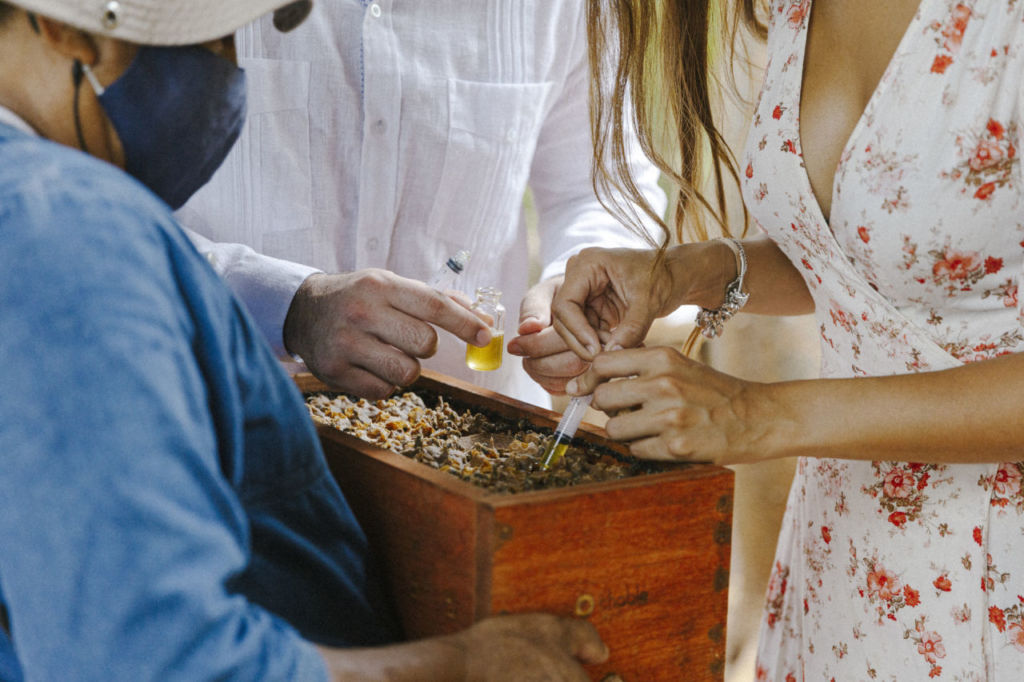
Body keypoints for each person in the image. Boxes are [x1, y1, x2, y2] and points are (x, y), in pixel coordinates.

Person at [0, 0, 608, 679]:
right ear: (65, 26)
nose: (227, 73)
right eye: (213, 42)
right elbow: (154, 656)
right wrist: (459, 667)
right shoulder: (65, 230)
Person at [551, 0, 1024, 679]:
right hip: (841, 565)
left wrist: (756, 413)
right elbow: (872, 262)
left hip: (997, 584)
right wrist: (691, 273)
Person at [175, 0, 667, 406]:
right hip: (219, 425)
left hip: (474, 446)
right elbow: (125, 212)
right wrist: (288, 305)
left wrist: (579, 281)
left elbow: (602, 188)